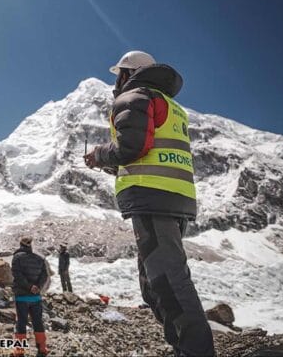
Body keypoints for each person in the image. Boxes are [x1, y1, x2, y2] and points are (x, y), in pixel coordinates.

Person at [83, 51, 215, 357]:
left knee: (168, 282)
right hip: (172, 196)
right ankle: (183, 347)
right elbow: (148, 150)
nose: (115, 83)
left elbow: (132, 147)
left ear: (127, 74)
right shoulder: (169, 104)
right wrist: (110, 163)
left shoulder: (134, 97)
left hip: (152, 196)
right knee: (154, 284)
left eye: (118, 75)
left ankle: (195, 351)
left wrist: (100, 154)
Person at [11, 236, 49, 357]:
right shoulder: (40, 258)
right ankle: (42, 348)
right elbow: (45, 275)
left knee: (21, 323)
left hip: (22, 297)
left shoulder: (17, 257)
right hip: (36, 297)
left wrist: (29, 286)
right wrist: (37, 286)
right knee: (38, 322)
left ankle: (19, 351)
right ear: (31, 244)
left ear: (21, 244)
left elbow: (17, 275)